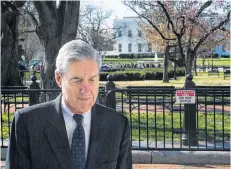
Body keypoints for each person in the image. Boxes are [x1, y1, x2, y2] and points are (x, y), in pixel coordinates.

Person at [6, 40, 132, 169]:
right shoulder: (28, 122)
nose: (86, 90)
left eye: (92, 79)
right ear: (59, 79)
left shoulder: (118, 124)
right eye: (77, 80)